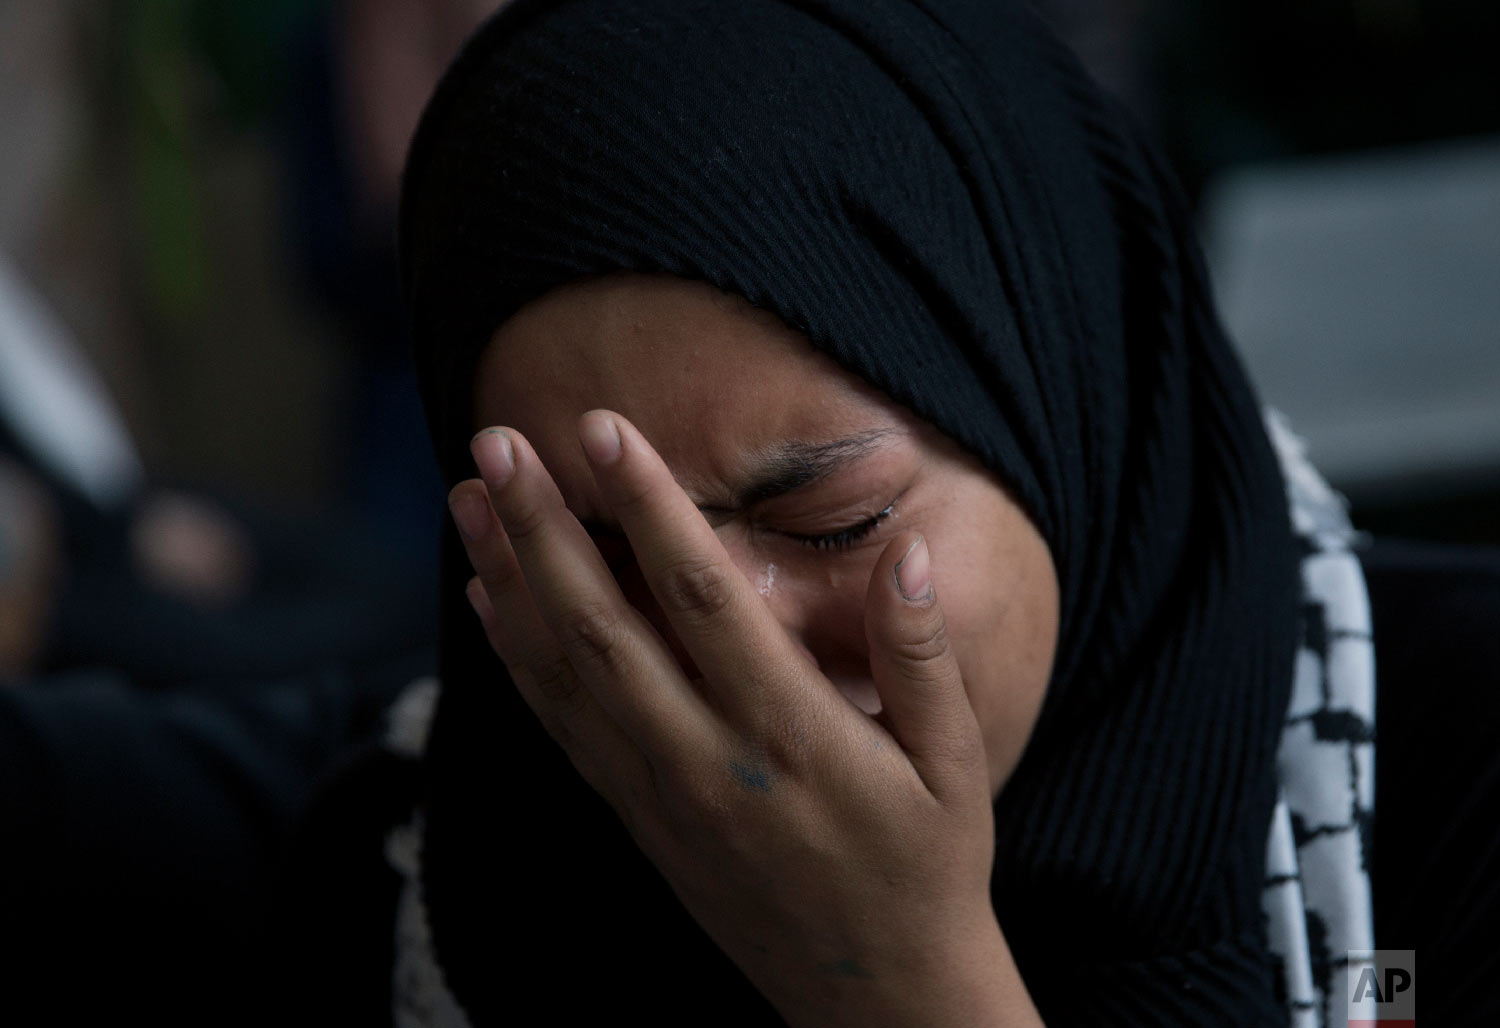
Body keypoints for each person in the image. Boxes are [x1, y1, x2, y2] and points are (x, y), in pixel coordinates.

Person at [357, 0, 1498, 1024]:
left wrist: (903, 982)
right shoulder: (444, 868)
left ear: (1068, 408)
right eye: (609, 564)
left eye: (833, 522)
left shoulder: (1448, 789)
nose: (741, 651)